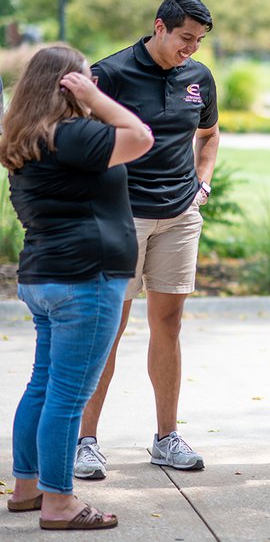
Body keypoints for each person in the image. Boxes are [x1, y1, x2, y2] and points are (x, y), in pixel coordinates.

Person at [1, 45, 153, 530]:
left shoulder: (23, 138)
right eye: (85, 80)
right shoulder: (77, 135)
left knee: (43, 386)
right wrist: (96, 98)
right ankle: (60, 503)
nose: (92, 87)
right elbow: (140, 136)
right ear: (69, 85)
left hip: (44, 277)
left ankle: (27, 489)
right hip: (85, 280)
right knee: (67, 397)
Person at [74, 0, 219, 479]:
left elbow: (210, 133)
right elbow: (78, 142)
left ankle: (166, 437)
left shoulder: (199, 77)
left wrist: (204, 181)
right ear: (159, 26)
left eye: (198, 41)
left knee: (170, 325)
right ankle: (85, 441)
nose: (191, 49)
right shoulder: (110, 74)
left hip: (180, 216)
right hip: (121, 218)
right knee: (106, 331)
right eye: (184, 38)